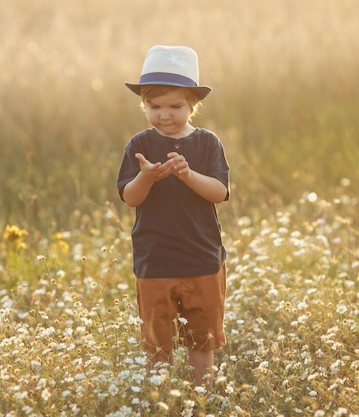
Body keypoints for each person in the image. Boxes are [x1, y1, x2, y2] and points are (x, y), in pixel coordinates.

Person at [117, 45, 230, 390]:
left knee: (202, 341)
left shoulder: (207, 143)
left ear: (193, 105)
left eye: (175, 106)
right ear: (143, 106)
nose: (164, 115)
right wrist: (147, 177)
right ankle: (159, 400)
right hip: (155, 261)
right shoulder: (139, 144)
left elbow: (220, 193)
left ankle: (202, 399)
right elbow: (129, 196)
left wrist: (188, 175)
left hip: (201, 259)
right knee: (157, 344)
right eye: (154, 107)